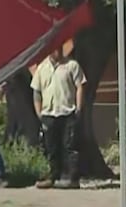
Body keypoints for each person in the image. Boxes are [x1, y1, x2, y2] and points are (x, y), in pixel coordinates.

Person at [32, 46, 87, 189]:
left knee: (70, 145)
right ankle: (53, 177)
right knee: (51, 147)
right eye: (55, 48)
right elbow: (36, 92)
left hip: (67, 112)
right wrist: (39, 113)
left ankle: (72, 178)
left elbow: (80, 86)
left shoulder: (71, 65)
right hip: (49, 113)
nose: (58, 51)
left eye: (60, 48)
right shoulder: (42, 68)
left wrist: (79, 108)